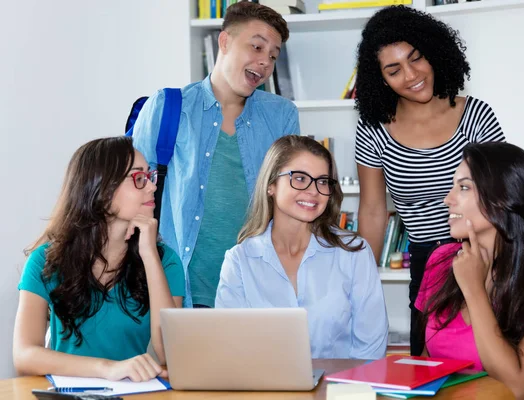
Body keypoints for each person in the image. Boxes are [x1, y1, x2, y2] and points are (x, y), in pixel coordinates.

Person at [353, 5, 505, 355]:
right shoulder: (373, 129)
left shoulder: (475, 115)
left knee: (492, 365)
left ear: (434, 51)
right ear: (381, 79)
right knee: (426, 370)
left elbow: (504, 194)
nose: (411, 74)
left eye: (416, 58)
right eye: (394, 70)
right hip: (426, 264)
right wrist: (360, 280)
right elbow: (374, 211)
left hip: (486, 257)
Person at [132, 2, 300, 309]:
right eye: (257, 47)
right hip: (177, 290)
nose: (264, 62)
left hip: (256, 291)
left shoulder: (282, 116)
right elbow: (130, 191)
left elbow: (290, 202)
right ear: (224, 41)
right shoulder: (167, 106)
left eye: (273, 56)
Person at [13, 137, 185, 381]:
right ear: (102, 190)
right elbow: (24, 356)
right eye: (138, 178)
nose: (152, 187)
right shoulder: (45, 260)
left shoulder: (165, 262)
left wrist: (149, 255)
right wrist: (108, 368)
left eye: (150, 176)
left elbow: (170, 354)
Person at [416, 142, 524, 400]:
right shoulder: (440, 262)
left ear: (502, 199)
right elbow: (427, 368)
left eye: (464, 187)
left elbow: (517, 389)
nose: (448, 199)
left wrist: (474, 291)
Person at [215, 135, 388, 360]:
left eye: (323, 181)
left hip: (340, 391)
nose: (313, 191)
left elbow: (370, 350)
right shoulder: (239, 261)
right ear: (271, 185)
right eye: (299, 178)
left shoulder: (354, 252)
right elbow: (231, 348)